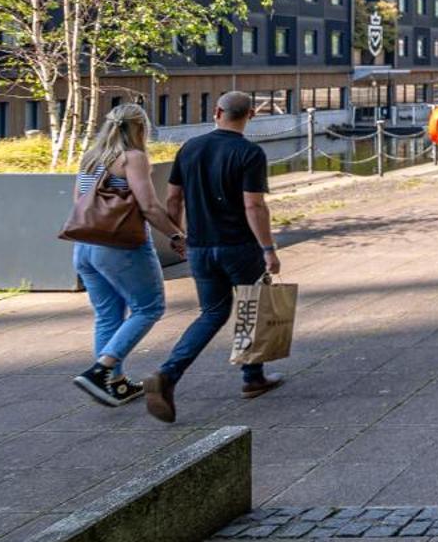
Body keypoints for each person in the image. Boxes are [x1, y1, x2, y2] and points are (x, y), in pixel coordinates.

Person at [145, 91, 284, 423]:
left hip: (201, 247)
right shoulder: (249, 153)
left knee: (211, 313)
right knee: (251, 305)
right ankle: (252, 378)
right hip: (239, 247)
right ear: (250, 115)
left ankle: (168, 374)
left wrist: (178, 236)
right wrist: (268, 249)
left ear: (217, 112)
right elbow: (253, 205)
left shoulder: (190, 148)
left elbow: (173, 198)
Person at [69, 104, 183, 407]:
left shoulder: (91, 157)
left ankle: (114, 384)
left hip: (83, 246)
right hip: (118, 246)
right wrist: (176, 234)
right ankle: (101, 369)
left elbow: (80, 200)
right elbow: (149, 206)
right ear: (140, 128)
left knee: (108, 314)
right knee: (150, 307)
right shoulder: (132, 158)